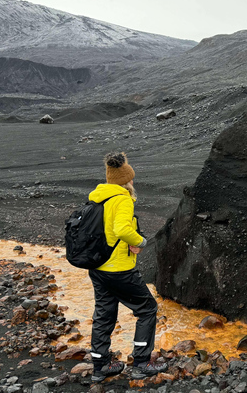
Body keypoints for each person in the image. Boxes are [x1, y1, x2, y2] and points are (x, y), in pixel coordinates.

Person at [88, 152, 167, 383]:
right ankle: (142, 363)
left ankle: (100, 367)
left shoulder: (97, 197)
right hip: (119, 270)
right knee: (147, 309)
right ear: (125, 180)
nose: (133, 182)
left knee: (104, 315)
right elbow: (122, 229)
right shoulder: (122, 198)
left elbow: (108, 232)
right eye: (131, 179)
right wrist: (140, 242)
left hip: (98, 268)